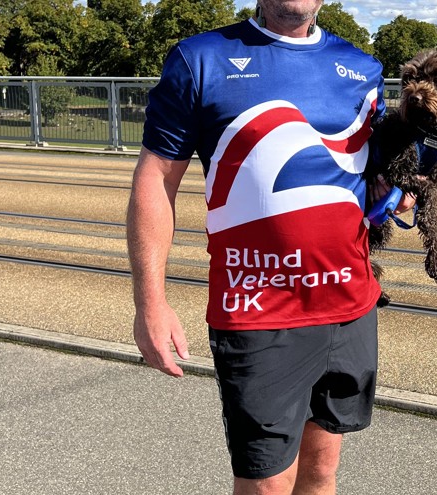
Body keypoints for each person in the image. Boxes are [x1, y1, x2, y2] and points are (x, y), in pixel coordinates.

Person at [126, 0, 414, 493]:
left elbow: (362, 177)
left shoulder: (362, 68)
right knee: (267, 484)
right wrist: (149, 303)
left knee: (322, 472)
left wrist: (395, 190)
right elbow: (155, 179)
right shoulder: (202, 57)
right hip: (259, 309)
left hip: (348, 305)